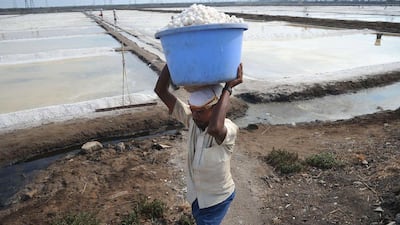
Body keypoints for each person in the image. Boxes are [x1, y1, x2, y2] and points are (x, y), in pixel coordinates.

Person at [154, 63, 243, 225]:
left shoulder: (229, 129)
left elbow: (215, 128)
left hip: (216, 199)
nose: (194, 115)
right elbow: (160, 91)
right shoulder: (192, 121)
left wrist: (228, 88)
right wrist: (172, 60)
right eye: (192, 109)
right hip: (196, 197)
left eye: (200, 111)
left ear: (216, 109)